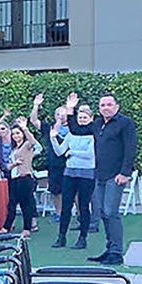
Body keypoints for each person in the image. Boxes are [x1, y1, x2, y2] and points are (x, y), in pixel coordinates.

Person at [65, 91, 138, 265]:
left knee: (111, 212)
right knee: (104, 213)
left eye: (109, 104)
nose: (106, 108)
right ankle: (109, 249)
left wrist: (125, 173)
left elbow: (130, 149)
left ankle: (116, 253)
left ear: (117, 106)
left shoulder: (125, 123)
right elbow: (76, 129)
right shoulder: (97, 124)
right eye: (102, 105)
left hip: (116, 176)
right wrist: (70, 109)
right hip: (100, 175)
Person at [50, 104, 96, 250]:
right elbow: (60, 151)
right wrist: (53, 138)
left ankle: (83, 238)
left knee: (83, 206)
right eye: (80, 117)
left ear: (91, 119)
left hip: (87, 174)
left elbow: (90, 155)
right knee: (66, 206)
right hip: (70, 173)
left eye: (85, 117)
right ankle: (61, 237)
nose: (82, 120)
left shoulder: (93, 134)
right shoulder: (71, 134)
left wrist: (72, 152)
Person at [0, 117, 39, 239]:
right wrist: (14, 164)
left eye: (18, 133)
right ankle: (6, 227)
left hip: (25, 178)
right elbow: (9, 166)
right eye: (14, 134)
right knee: (11, 203)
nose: (16, 136)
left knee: (25, 204)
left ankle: (27, 229)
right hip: (15, 178)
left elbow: (33, 142)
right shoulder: (14, 149)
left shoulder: (27, 145)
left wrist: (25, 128)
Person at [30, 93, 68, 221]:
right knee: (56, 191)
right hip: (55, 164)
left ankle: (80, 216)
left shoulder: (75, 128)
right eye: (58, 114)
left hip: (71, 164)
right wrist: (36, 105)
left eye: (63, 114)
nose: (61, 117)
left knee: (76, 192)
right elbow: (34, 121)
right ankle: (59, 214)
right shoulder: (49, 127)